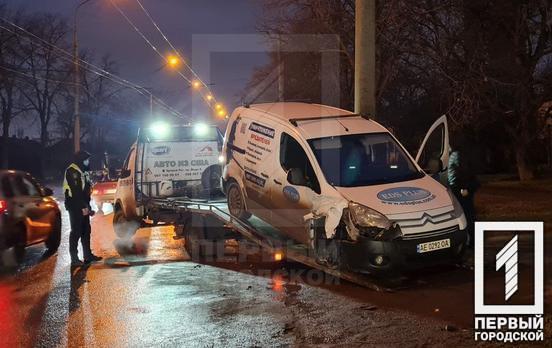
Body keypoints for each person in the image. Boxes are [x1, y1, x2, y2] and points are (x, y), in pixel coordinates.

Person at [63, 150, 102, 266]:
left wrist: (88, 207)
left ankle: (87, 255)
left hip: (83, 204)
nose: (87, 161)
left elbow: (85, 191)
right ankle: (74, 258)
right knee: (76, 231)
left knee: (86, 230)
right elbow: (76, 192)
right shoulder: (72, 171)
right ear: (81, 160)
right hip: (74, 206)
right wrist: (83, 207)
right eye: (86, 159)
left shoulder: (82, 171)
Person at [448, 137, 479, 248]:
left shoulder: (456, 155)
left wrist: (463, 188)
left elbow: (463, 172)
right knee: (467, 214)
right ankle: (470, 240)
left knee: (466, 214)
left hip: (460, 189)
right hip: (462, 188)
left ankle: (471, 241)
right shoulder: (459, 154)